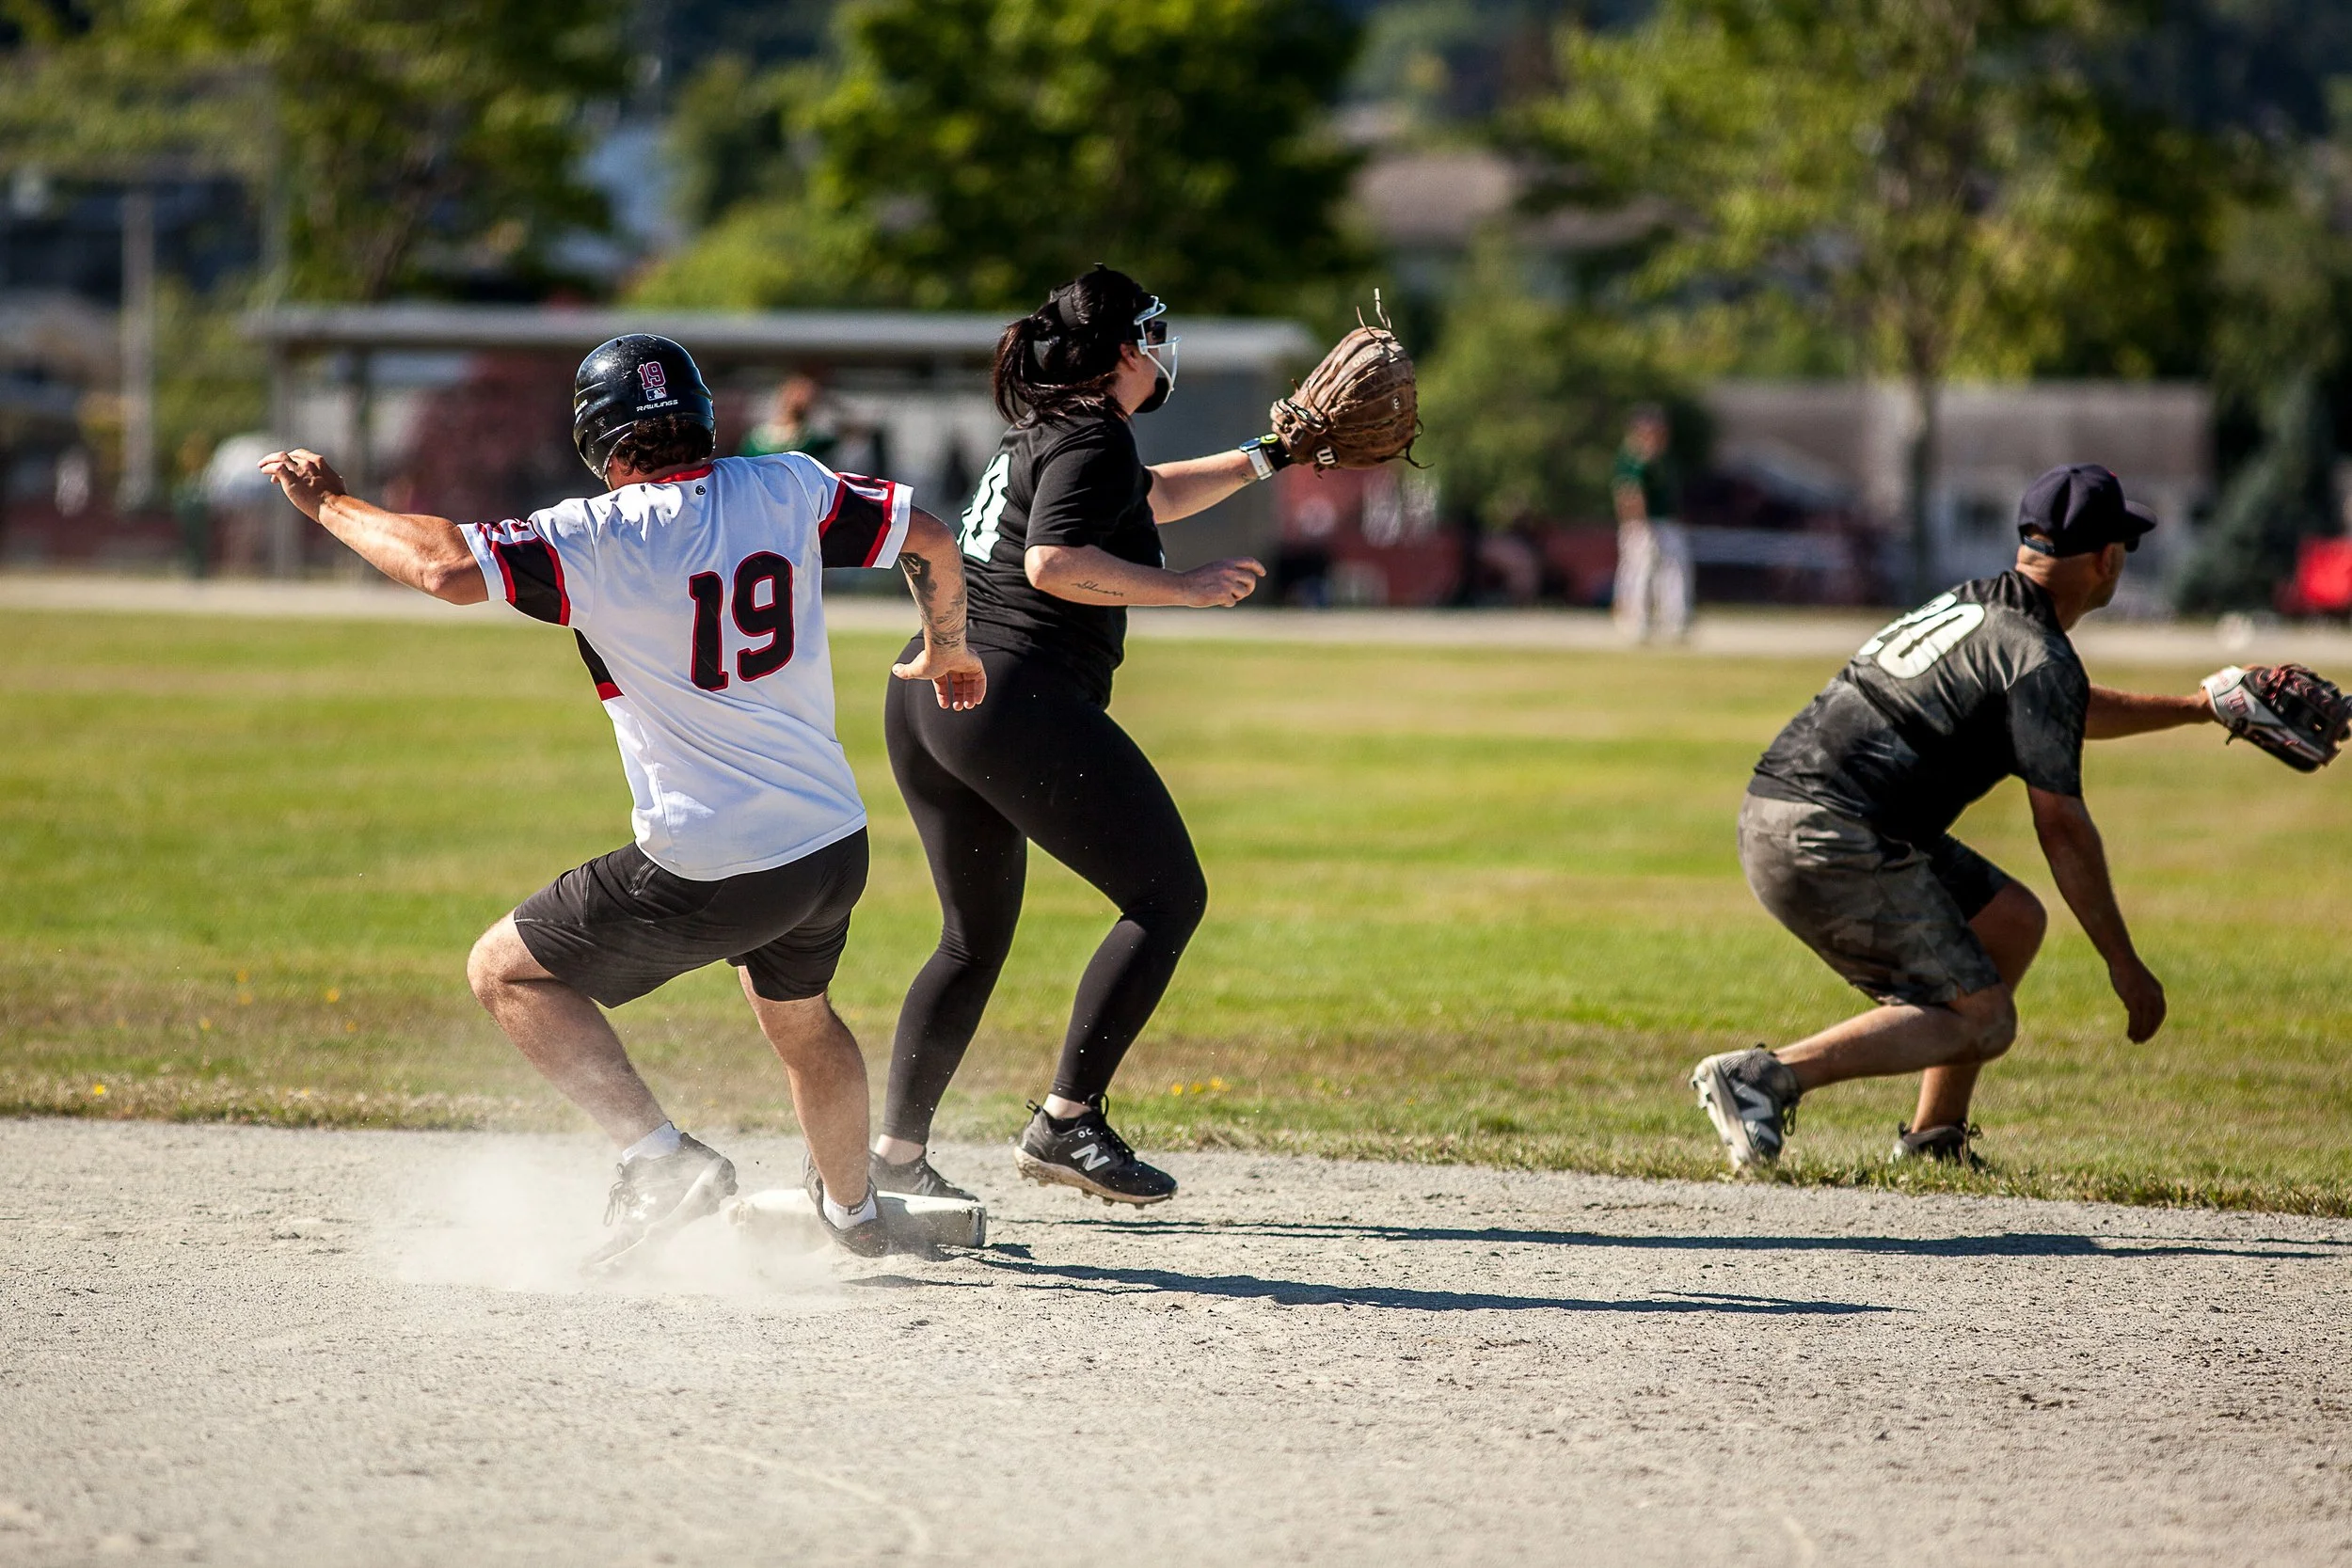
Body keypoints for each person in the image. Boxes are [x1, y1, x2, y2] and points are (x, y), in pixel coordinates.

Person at [259, 334, 985, 1265]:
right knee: (801, 1018)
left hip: (711, 857)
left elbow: (442, 566)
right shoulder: (787, 486)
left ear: (598, 439)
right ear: (702, 417)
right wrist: (952, 646)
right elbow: (927, 534)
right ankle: (854, 1214)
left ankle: (659, 1158)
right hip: (829, 843)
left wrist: (328, 502)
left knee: (504, 970)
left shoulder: (598, 533)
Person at [871, 265, 1281, 1207]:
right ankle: (1067, 1117)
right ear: (1126, 348)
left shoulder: (1056, 425)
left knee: (970, 940)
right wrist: (1185, 587)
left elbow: (1150, 497)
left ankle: (893, 1159)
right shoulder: (1095, 433)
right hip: (1010, 689)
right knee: (1167, 893)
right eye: (1156, 330)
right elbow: (1053, 562)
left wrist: (1270, 453)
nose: (1163, 347)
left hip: (935, 684)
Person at [1692, 464, 2222, 1170]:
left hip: (1789, 813)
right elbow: (2061, 824)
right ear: (2107, 558)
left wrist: (2200, 708)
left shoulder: (1978, 605)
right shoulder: (2038, 654)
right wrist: (2123, 962)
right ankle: (1764, 1076)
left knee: (2009, 919)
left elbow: (2060, 709)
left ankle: (1933, 1139)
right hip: (1830, 836)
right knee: (1986, 1018)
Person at [1611, 404, 1692, 642]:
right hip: (1643, 524)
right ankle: (1633, 619)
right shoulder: (1633, 458)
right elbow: (1629, 493)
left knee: (1674, 568)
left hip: (1665, 521)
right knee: (1638, 571)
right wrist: (1638, 523)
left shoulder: (1662, 458)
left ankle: (1675, 618)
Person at [739, 373, 839, 466]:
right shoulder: (758, 438)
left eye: (807, 396)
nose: (799, 401)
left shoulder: (815, 440)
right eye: (795, 394)